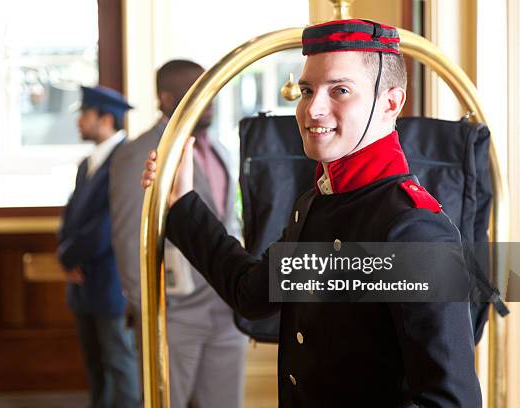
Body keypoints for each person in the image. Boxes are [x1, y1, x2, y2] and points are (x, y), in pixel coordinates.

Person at [141, 20, 481, 406]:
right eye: (306, 90)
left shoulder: (413, 229)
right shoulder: (317, 201)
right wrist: (181, 203)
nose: (312, 108)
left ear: (390, 103)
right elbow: (250, 292)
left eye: (340, 90)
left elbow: (451, 401)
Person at [110, 60, 247, 407]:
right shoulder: (138, 154)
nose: (208, 100)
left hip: (226, 307)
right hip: (174, 313)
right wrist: (154, 314)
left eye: (209, 91)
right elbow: (128, 242)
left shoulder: (219, 149)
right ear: (166, 98)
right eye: (194, 92)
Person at [57, 85, 140, 408]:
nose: (79, 121)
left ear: (105, 118)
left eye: (85, 114)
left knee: (120, 366)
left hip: (111, 282)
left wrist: (69, 255)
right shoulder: (86, 164)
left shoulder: (126, 159)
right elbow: (71, 216)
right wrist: (66, 256)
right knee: (96, 369)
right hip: (83, 285)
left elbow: (107, 226)